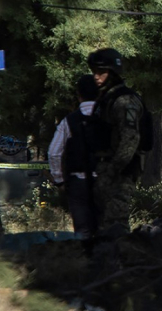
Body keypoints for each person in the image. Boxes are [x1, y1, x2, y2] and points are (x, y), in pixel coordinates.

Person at [87, 47, 145, 233]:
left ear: (113, 73)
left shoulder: (124, 101)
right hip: (104, 169)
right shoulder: (105, 99)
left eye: (101, 72)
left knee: (115, 226)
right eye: (94, 72)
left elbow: (130, 139)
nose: (96, 77)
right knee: (102, 226)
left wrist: (113, 170)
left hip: (119, 174)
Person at [47, 74, 100, 239]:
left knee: (82, 231)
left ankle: (85, 262)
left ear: (79, 95)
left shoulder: (69, 121)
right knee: (106, 229)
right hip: (104, 182)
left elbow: (54, 152)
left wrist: (59, 179)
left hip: (78, 183)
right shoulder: (109, 118)